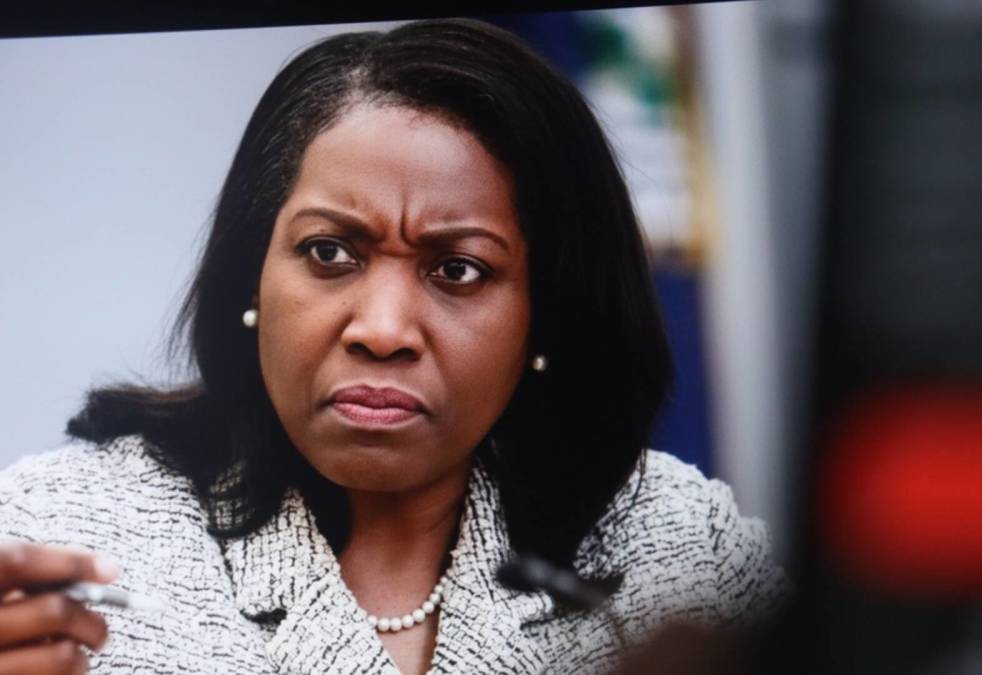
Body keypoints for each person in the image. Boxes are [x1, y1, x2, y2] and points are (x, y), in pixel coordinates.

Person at [0, 18, 789, 675]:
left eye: (457, 269)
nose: (381, 330)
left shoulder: (677, 547)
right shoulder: (64, 535)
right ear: (252, 277)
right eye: (329, 252)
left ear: (545, 313)